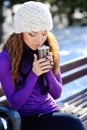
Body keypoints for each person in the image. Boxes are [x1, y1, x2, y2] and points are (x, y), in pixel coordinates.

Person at [0, 1, 85, 130]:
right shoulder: (5, 59)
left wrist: (48, 70)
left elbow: (57, 94)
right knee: (74, 124)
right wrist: (34, 74)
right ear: (20, 32)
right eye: (33, 34)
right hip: (26, 119)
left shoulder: (49, 49)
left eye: (44, 33)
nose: (39, 40)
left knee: (73, 124)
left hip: (51, 111)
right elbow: (15, 104)